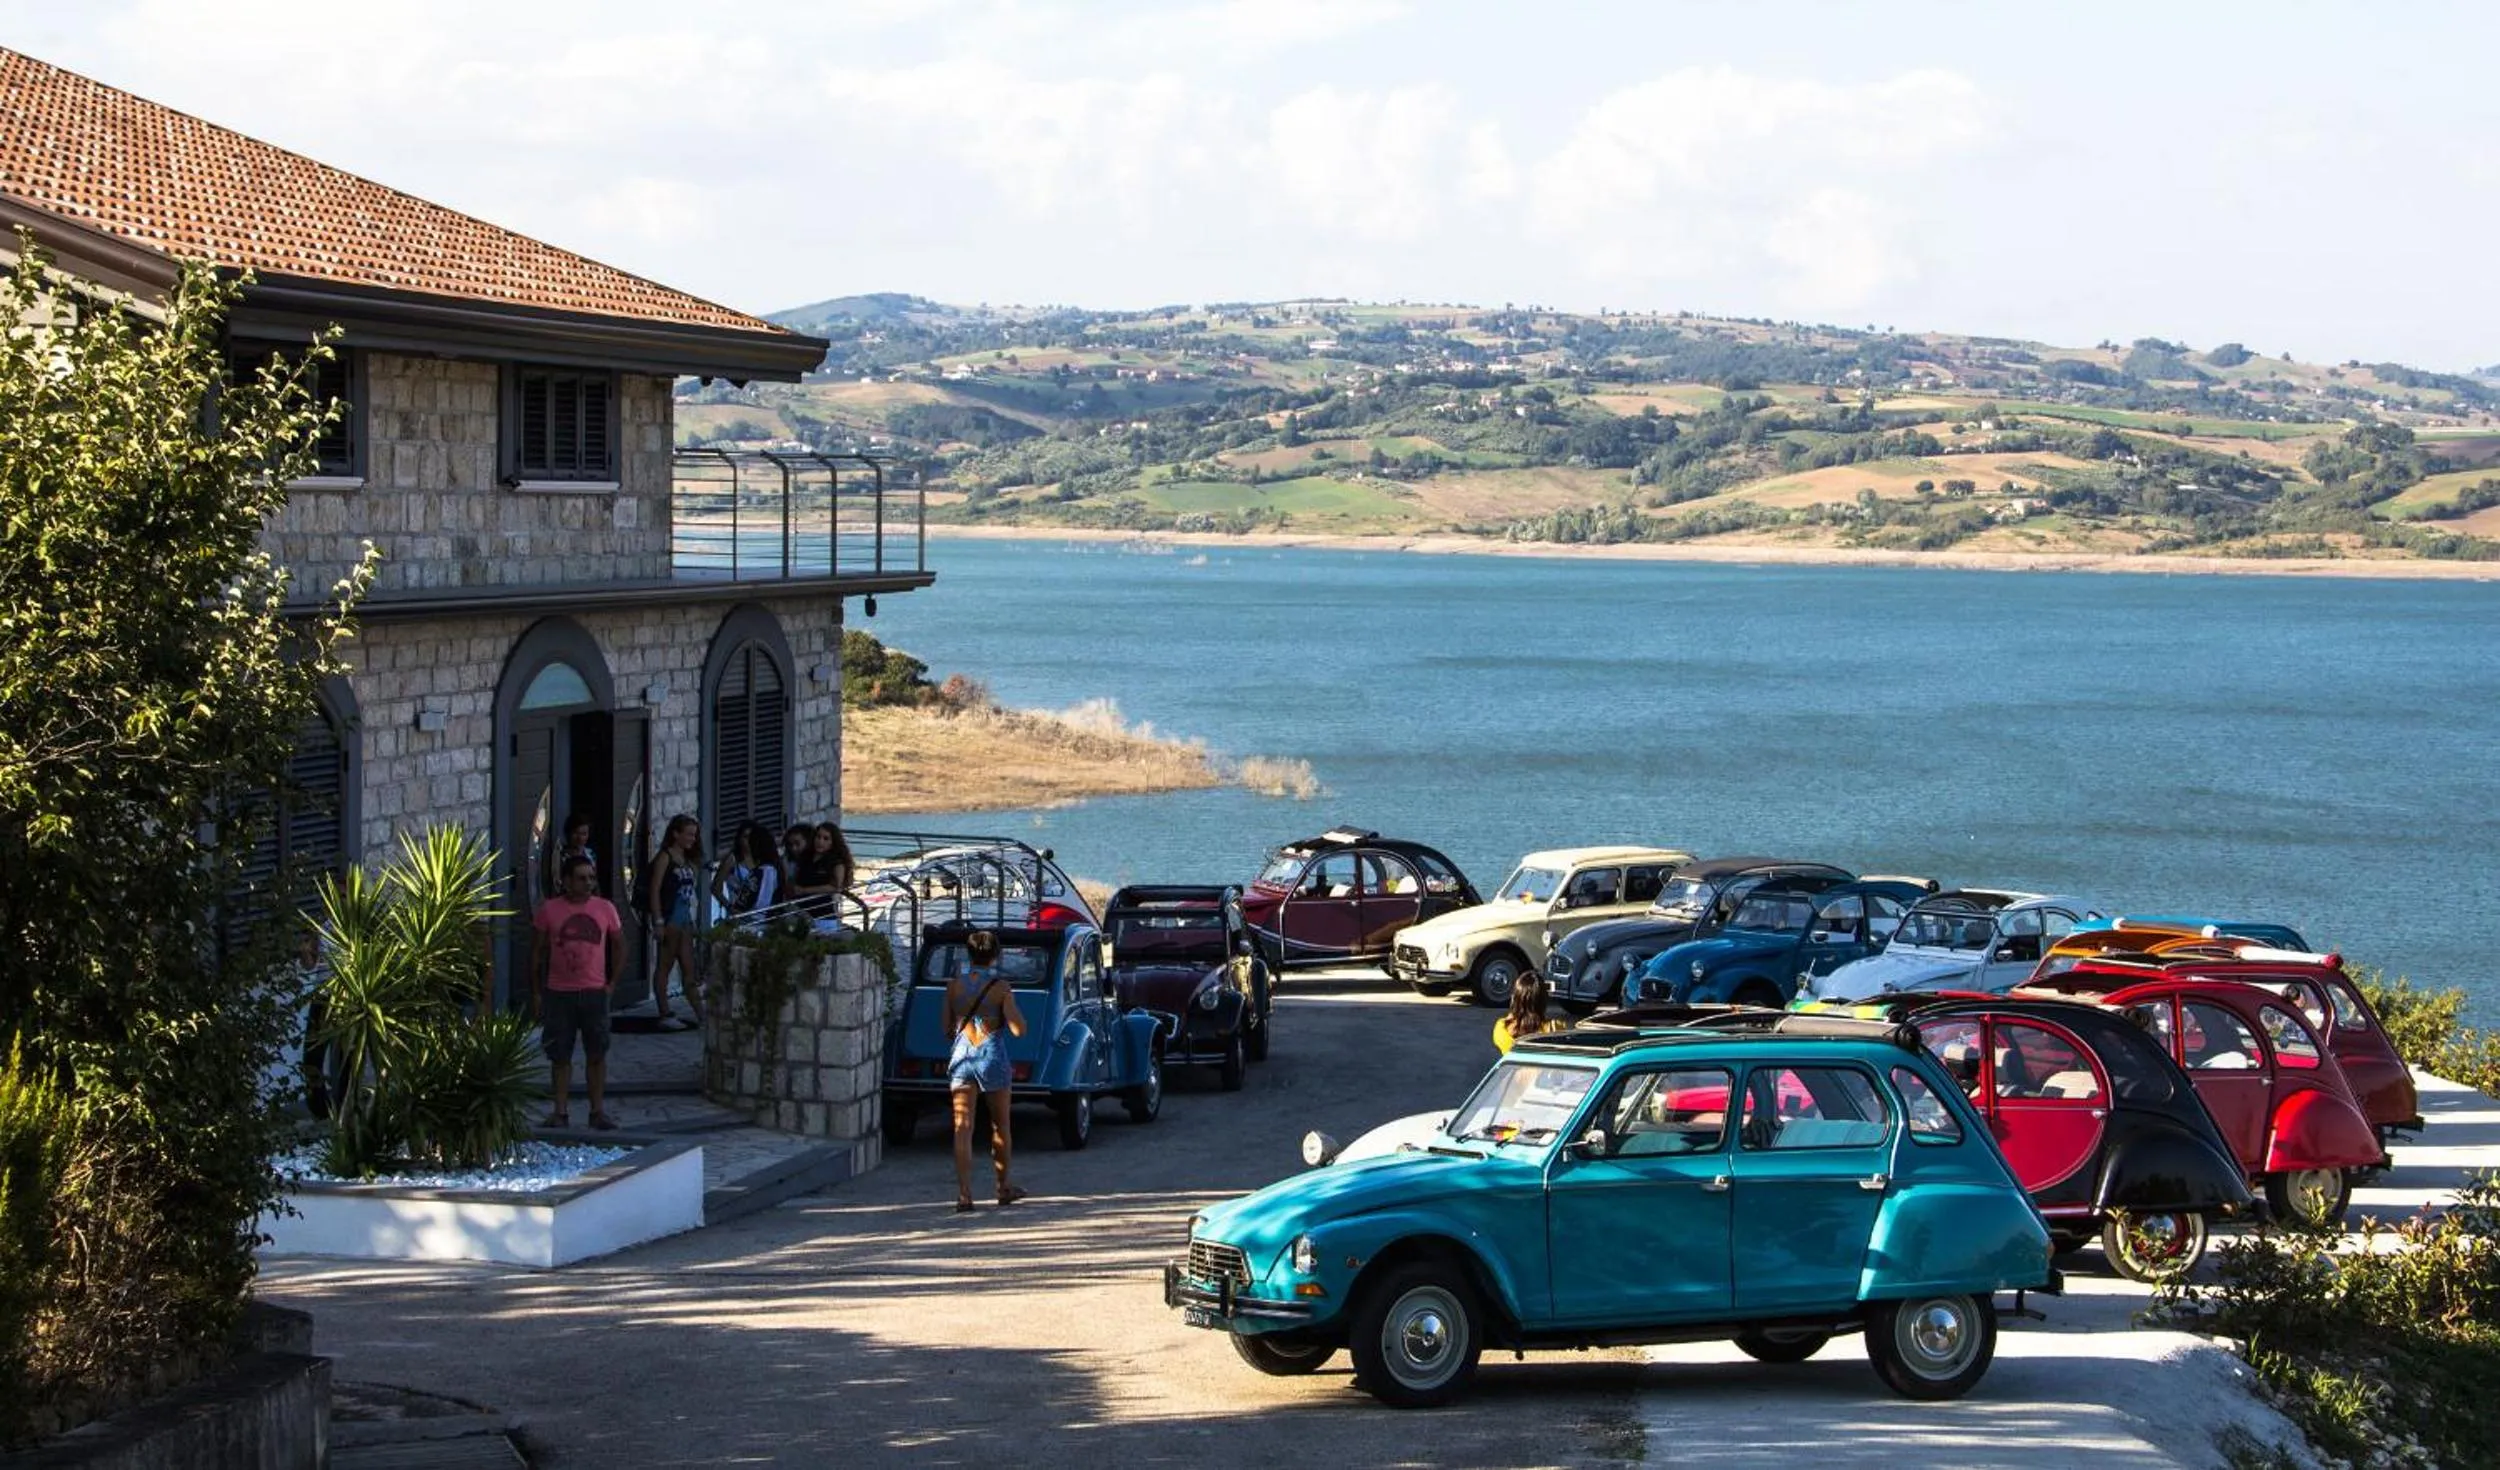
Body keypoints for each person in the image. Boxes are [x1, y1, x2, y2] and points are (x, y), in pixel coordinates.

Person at [534, 854, 623, 1129]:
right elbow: (537, 953)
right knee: (560, 1055)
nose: (588, 883)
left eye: (591, 878)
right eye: (582, 878)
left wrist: (612, 983)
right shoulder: (549, 910)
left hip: (594, 992)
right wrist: (537, 992)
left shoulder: (605, 908)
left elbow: (620, 944)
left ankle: (597, 1111)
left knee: (596, 1053)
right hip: (559, 993)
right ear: (567, 881)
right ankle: (560, 1112)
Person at [943, 929, 1028, 1212]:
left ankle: (964, 1194)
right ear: (996, 954)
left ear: (969, 954)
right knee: (1000, 1125)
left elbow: (946, 1029)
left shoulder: (953, 986)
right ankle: (1003, 1187)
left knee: (962, 1126)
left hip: (962, 1055)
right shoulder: (1001, 987)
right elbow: (1018, 1030)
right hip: (991, 1055)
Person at [644, 814, 703, 1030]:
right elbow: (655, 890)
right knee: (665, 965)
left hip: (685, 919)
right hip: (670, 920)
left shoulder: (687, 860)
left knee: (689, 967)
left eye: (694, 835)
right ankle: (665, 1011)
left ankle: (700, 1014)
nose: (692, 839)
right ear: (676, 834)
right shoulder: (665, 857)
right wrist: (658, 920)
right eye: (688, 834)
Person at [712, 820, 780, 922]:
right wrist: (728, 906)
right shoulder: (732, 859)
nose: (748, 841)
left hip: (759, 914)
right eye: (745, 837)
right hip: (738, 912)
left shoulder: (761, 860)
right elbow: (716, 887)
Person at [790, 821, 856, 920]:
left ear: (833, 842)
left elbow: (836, 887)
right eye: (818, 837)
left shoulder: (836, 862)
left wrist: (804, 890)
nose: (820, 842)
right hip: (800, 911)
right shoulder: (807, 856)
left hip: (822, 913)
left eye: (826, 839)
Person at [1493, 968, 1562, 1054]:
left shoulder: (1501, 1028)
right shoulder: (1554, 1028)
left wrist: (1514, 1012)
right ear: (1543, 1001)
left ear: (1515, 998)